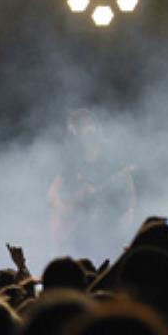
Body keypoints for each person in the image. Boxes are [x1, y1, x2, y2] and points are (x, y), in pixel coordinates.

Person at [48, 109, 136, 257]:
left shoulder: (111, 155)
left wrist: (130, 211)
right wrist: (64, 209)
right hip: (80, 233)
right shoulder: (73, 160)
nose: (89, 129)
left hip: (108, 227)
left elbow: (130, 189)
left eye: (90, 124)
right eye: (83, 126)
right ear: (75, 133)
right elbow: (52, 193)